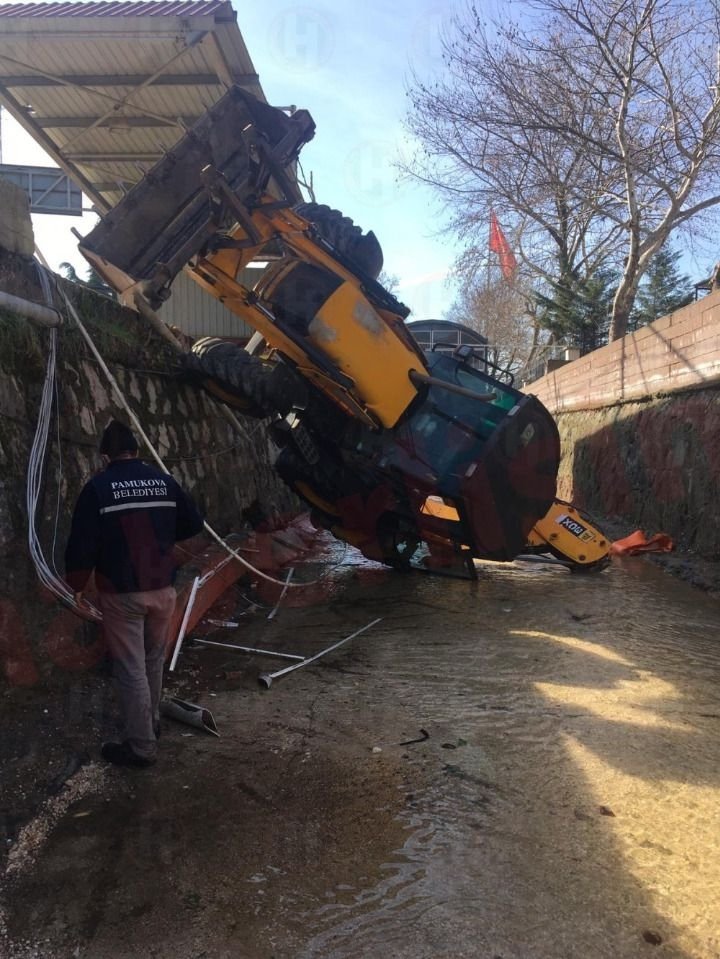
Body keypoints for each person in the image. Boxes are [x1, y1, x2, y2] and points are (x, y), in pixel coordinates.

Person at [65, 420, 204, 768]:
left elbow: (82, 546)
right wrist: (162, 540)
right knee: (153, 659)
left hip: (122, 593)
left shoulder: (98, 488)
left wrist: (77, 586)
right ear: (137, 451)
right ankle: (151, 723)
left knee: (130, 668)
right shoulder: (164, 482)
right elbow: (193, 522)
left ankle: (141, 747)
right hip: (163, 589)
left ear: (104, 456)